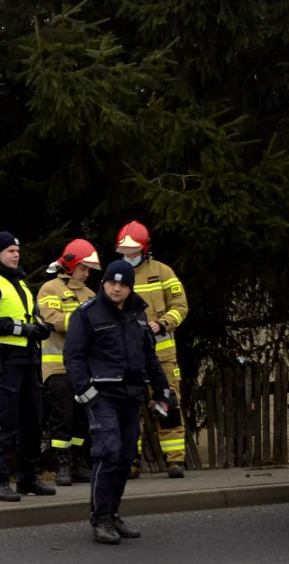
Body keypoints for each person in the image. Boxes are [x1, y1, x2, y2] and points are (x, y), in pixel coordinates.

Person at [63, 259, 176, 544]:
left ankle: (112, 514)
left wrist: (162, 390)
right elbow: (73, 357)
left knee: (125, 458)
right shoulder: (87, 314)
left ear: (130, 287)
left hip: (131, 395)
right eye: (112, 283)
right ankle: (100, 519)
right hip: (101, 396)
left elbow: (149, 357)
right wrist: (86, 392)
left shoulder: (138, 314)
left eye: (123, 284)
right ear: (103, 285)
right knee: (108, 451)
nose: (116, 289)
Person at [0, 231, 57, 502]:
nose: (16, 254)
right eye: (10, 250)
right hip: (3, 359)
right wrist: (22, 329)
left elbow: (30, 316)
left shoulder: (18, 281)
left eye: (17, 250)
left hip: (27, 359)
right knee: (4, 421)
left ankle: (27, 478)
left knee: (32, 421)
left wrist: (41, 328)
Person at [116, 221, 189, 478]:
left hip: (162, 356)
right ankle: (130, 461)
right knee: (128, 408)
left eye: (133, 252)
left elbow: (181, 307)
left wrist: (162, 323)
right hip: (128, 357)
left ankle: (175, 461)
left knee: (167, 404)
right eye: (124, 252)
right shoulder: (117, 277)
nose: (128, 256)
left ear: (145, 250)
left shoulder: (164, 273)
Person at [37, 239, 100, 487]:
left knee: (83, 418)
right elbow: (53, 320)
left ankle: (76, 462)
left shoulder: (91, 295)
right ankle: (61, 465)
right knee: (61, 418)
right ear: (71, 265)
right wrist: (85, 321)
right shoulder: (49, 289)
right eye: (84, 268)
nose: (87, 274)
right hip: (57, 368)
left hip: (84, 368)